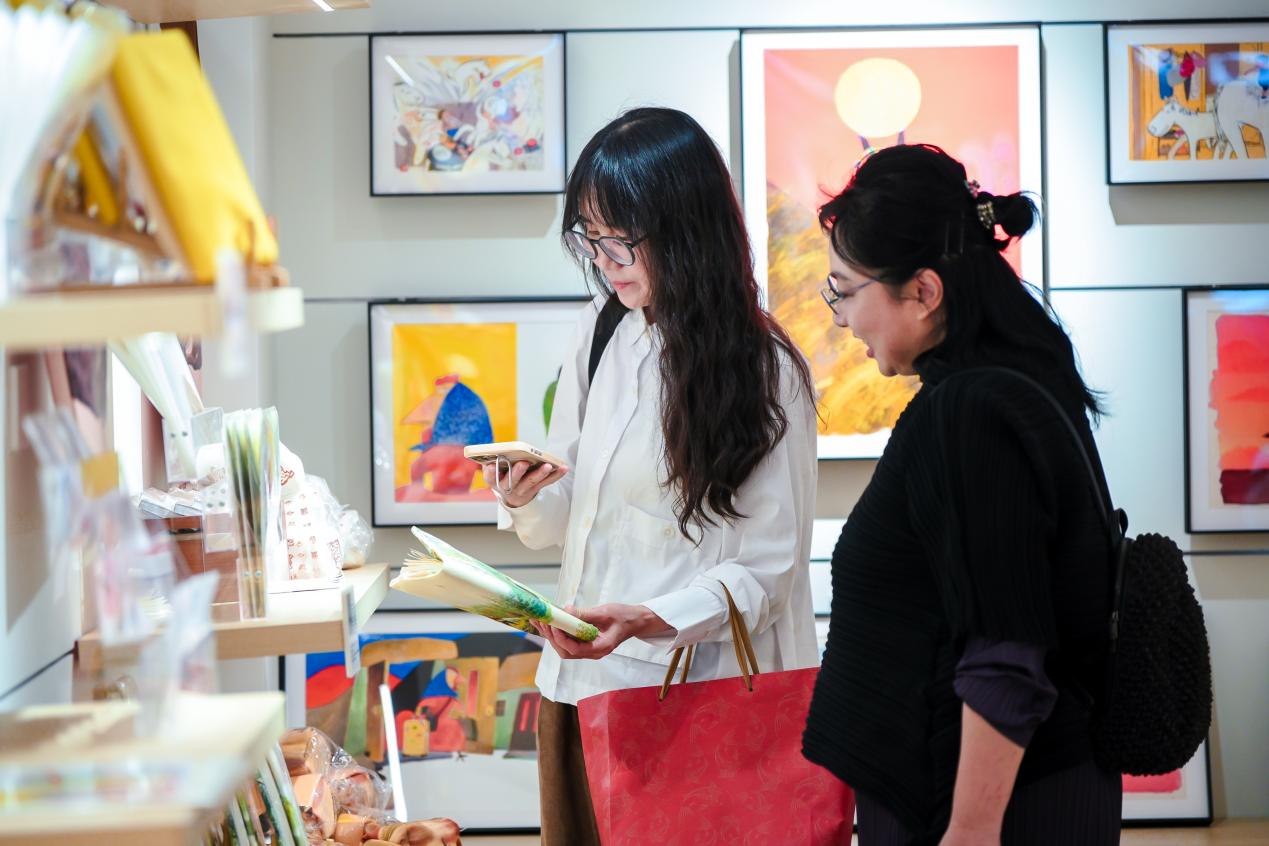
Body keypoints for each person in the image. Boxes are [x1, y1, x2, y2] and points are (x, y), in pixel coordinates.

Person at [485, 107, 820, 846]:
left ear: (685, 226)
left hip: (692, 704)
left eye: (621, 237)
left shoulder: (764, 370)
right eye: (590, 235)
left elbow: (768, 573)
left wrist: (649, 617)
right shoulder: (602, 328)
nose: (604, 258)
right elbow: (569, 506)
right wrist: (525, 497)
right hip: (575, 689)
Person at [802, 144, 1121, 846]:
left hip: (984, 808)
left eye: (844, 291)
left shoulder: (971, 413)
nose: (840, 318)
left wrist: (971, 829)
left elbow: (1006, 647)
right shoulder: (1017, 383)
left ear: (923, 291)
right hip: (999, 788)